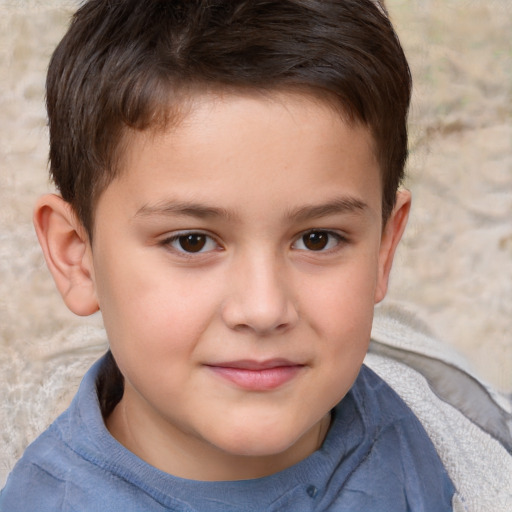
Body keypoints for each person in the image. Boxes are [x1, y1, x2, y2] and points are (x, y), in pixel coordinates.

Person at [1, 0, 510, 510]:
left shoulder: (450, 422)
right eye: (192, 241)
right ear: (77, 257)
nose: (264, 309)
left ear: (384, 248)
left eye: (318, 239)